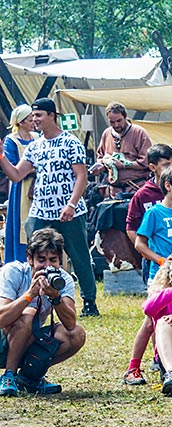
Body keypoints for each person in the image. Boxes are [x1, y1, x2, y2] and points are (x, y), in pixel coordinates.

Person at [0, 98, 99, 317]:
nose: (34, 120)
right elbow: (16, 175)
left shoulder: (70, 142)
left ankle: (89, 301)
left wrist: (71, 204)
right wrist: (1, 157)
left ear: (51, 115)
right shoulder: (35, 146)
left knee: (78, 254)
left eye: (38, 115)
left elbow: (81, 176)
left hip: (69, 209)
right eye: (33, 116)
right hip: (41, 211)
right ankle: (34, 294)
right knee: (35, 252)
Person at [121, 144, 172, 385]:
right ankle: (133, 367)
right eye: (166, 164)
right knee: (152, 317)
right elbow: (135, 234)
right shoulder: (144, 198)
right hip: (157, 270)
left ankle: (163, 358)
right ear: (153, 167)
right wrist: (156, 259)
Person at [0, 229, 86, 396]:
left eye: (53, 260)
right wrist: (29, 295)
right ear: (30, 259)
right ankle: (8, 375)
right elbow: (1, 319)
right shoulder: (14, 272)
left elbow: (70, 323)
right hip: (3, 340)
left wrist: (55, 298)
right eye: (41, 260)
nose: (47, 266)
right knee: (29, 314)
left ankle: (28, 379)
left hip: (27, 339)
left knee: (76, 334)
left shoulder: (63, 279)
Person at [91, 101, 152, 193]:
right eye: (112, 122)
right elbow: (100, 157)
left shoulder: (139, 133)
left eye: (119, 121)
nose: (116, 125)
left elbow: (146, 162)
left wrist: (123, 165)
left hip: (136, 189)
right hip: (114, 191)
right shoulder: (107, 134)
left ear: (125, 117)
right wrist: (101, 167)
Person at [3, 104, 37, 263]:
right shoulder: (12, 140)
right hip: (21, 189)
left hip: (38, 185)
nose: (33, 122)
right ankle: (20, 261)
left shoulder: (37, 137)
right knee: (21, 225)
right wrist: (32, 169)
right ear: (21, 122)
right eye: (30, 120)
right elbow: (13, 167)